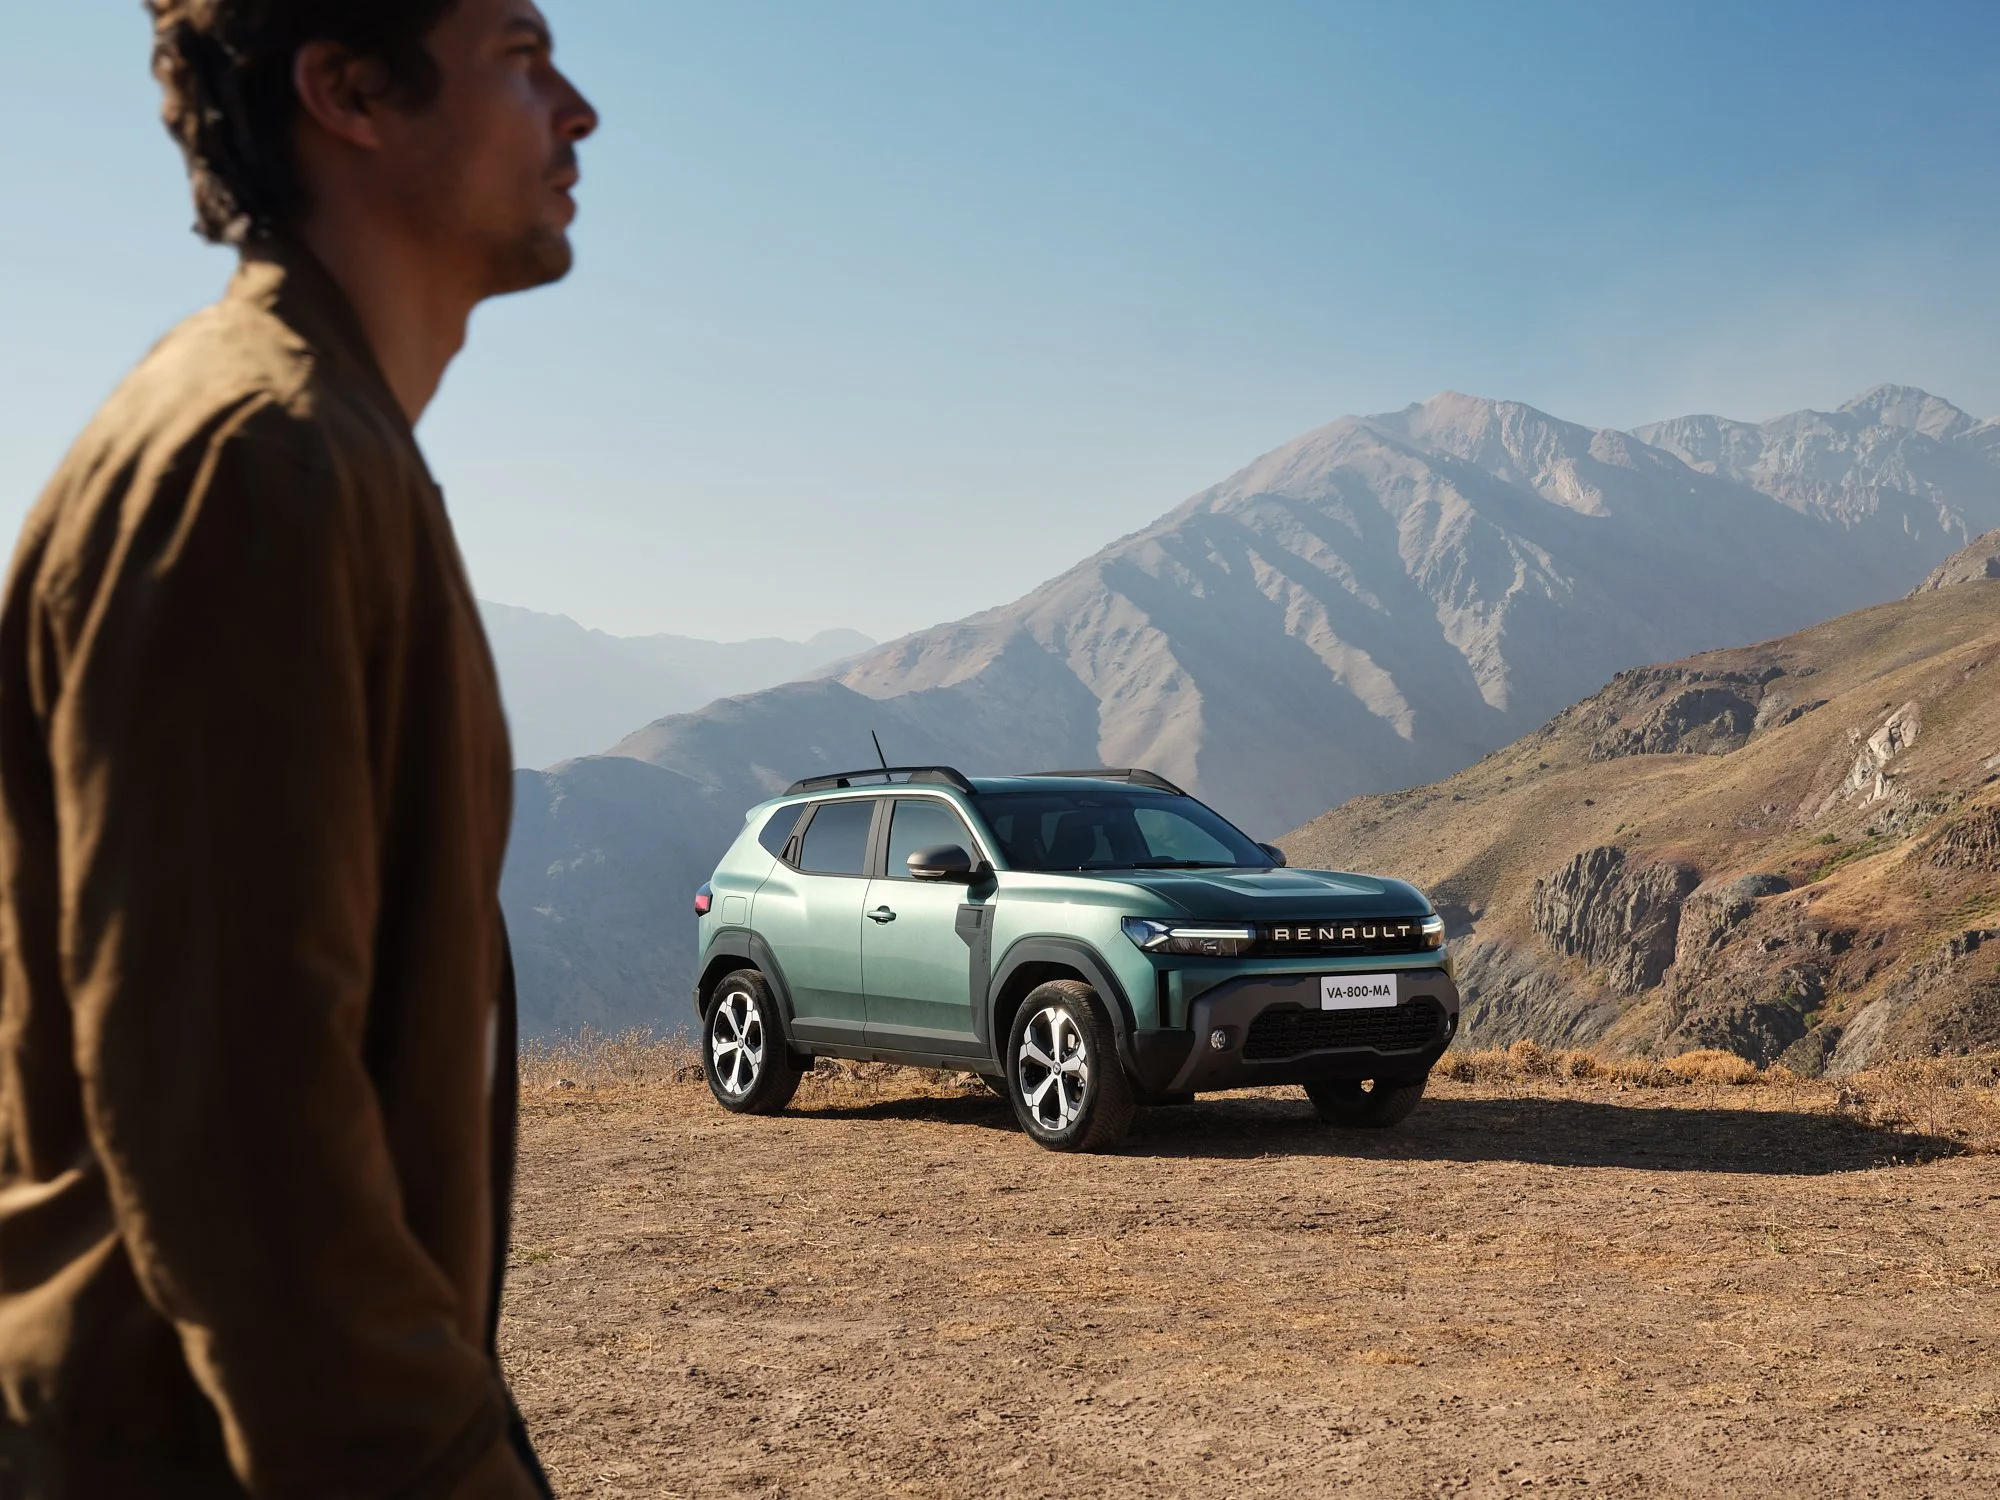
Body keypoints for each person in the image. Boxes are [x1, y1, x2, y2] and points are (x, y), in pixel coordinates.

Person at [0, 2, 596, 1495]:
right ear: (349, 91)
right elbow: (236, 1123)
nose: (577, 110)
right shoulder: (252, 469)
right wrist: (446, 1462)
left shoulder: (329, 449)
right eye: (522, 59)